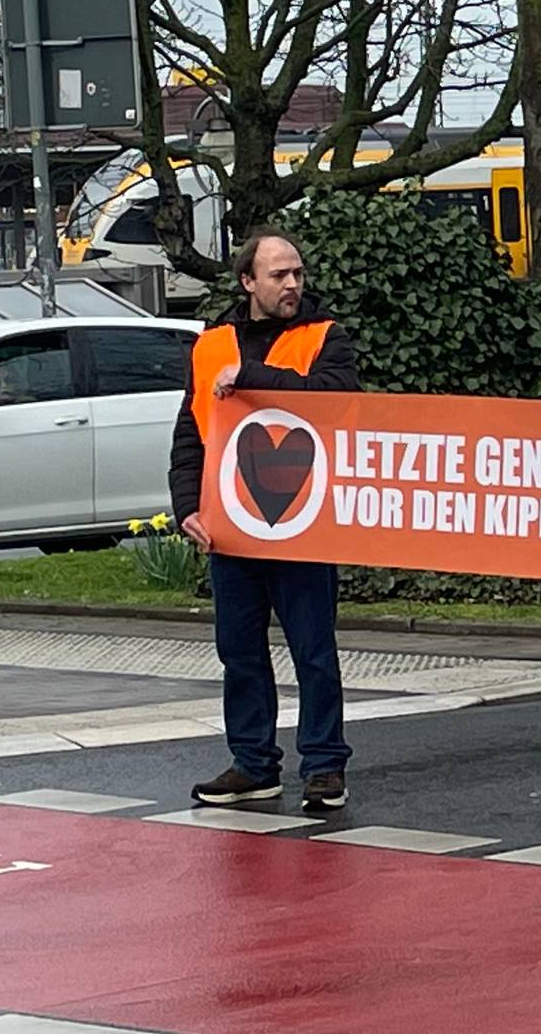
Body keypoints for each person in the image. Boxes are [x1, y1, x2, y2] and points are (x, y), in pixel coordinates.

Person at [171, 231, 364, 810]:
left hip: (303, 521)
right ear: (247, 282)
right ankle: (254, 763)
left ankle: (325, 765)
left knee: (313, 649)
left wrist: (252, 377)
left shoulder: (325, 336)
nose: (292, 285)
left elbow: (336, 399)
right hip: (232, 525)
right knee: (240, 651)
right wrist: (187, 507)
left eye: (298, 274)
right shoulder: (211, 347)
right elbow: (191, 432)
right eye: (279, 275)